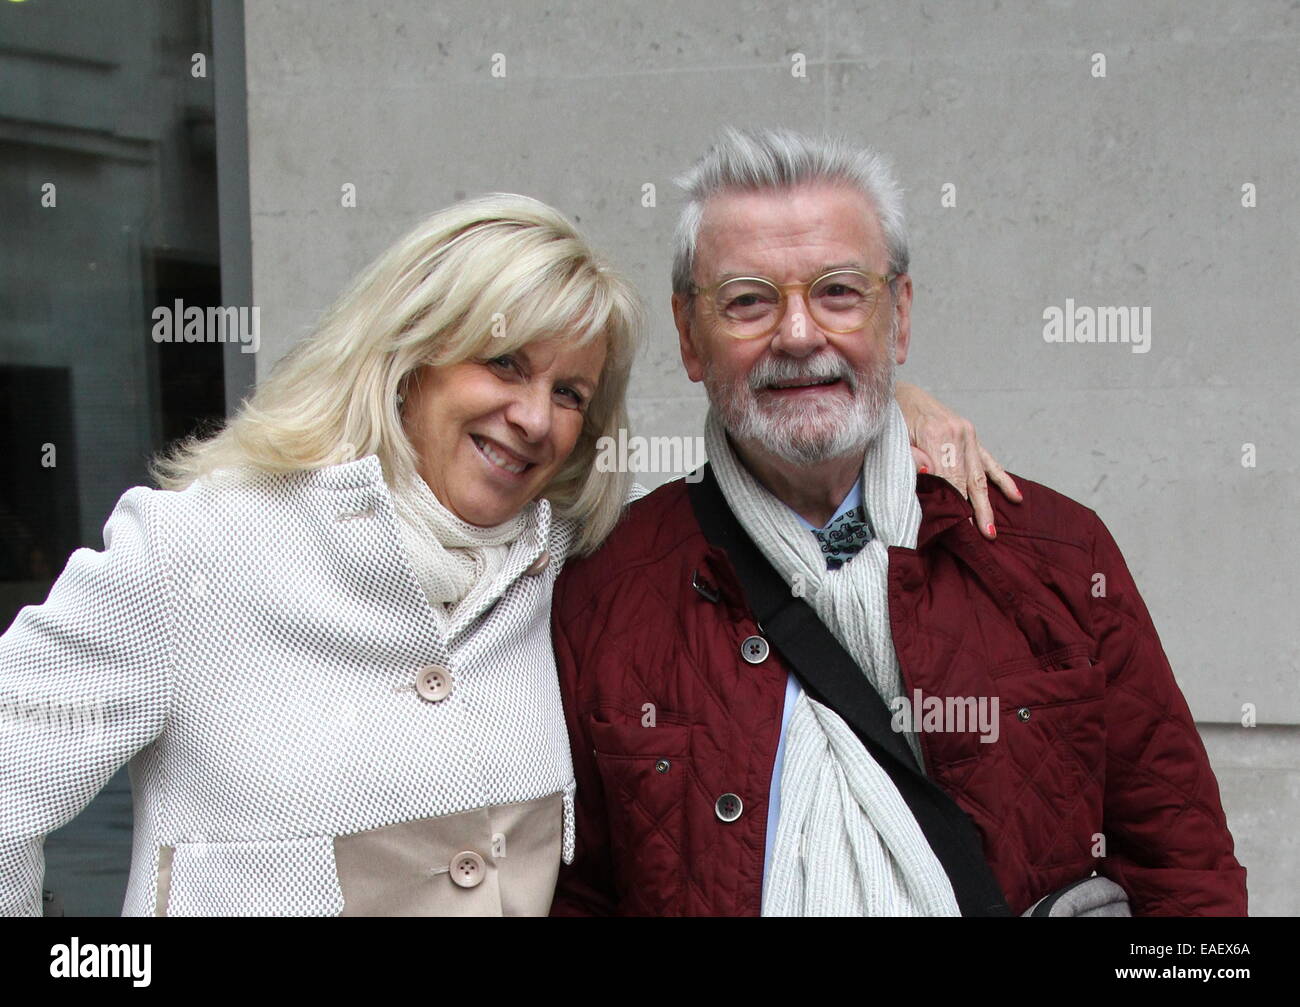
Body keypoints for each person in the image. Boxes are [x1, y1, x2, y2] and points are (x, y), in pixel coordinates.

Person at [0, 192, 1002, 917]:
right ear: (410, 355)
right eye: (506, 363)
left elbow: (787, 520)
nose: (534, 418)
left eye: (571, 393)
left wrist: (877, 420)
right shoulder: (198, 552)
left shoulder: (582, 572)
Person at [549, 128, 1248, 917]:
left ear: (901, 315)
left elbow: (1187, 873)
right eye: (748, 300)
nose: (799, 333)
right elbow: (577, 897)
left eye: (839, 292)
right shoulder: (605, 590)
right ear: (688, 336)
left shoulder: (1055, 554)